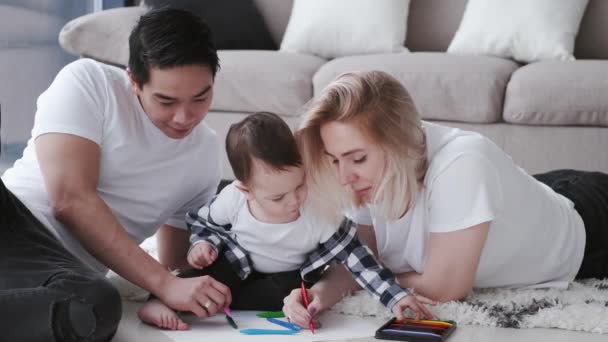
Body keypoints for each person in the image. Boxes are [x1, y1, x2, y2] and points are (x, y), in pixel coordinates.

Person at [282, 70, 608, 328]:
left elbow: (443, 288)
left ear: (398, 143)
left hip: (590, 224)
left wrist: (368, 275)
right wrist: (318, 294)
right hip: (532, 199)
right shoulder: (368, 173)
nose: (343, 178)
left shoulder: (463, 163)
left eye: (357, 158)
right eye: (335, 160)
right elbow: (363, 257)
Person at [0, 8, 233, 341]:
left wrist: (184, 284)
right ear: (134, 81)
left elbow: (173, 265)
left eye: (201, 97)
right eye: (166, 101)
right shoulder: (89, 82)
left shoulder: (205, 157)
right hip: (14, 224)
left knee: (93, 308)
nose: (184, 117)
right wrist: (164, 283)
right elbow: (69, 200)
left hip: (60, 274)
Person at [137, 112, 435, 330]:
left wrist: (395, 298)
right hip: (236, 267)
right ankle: (158, 300)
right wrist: (203, 244)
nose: (294, 202)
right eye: (278, 198)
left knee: (291, 296)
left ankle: (252, 303)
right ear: (246, 190)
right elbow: (203, 223)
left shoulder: (319, 211)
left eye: (300, 186)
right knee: (201, 279)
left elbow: (360, 260)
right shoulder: (233, 199)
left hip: (286, 279)